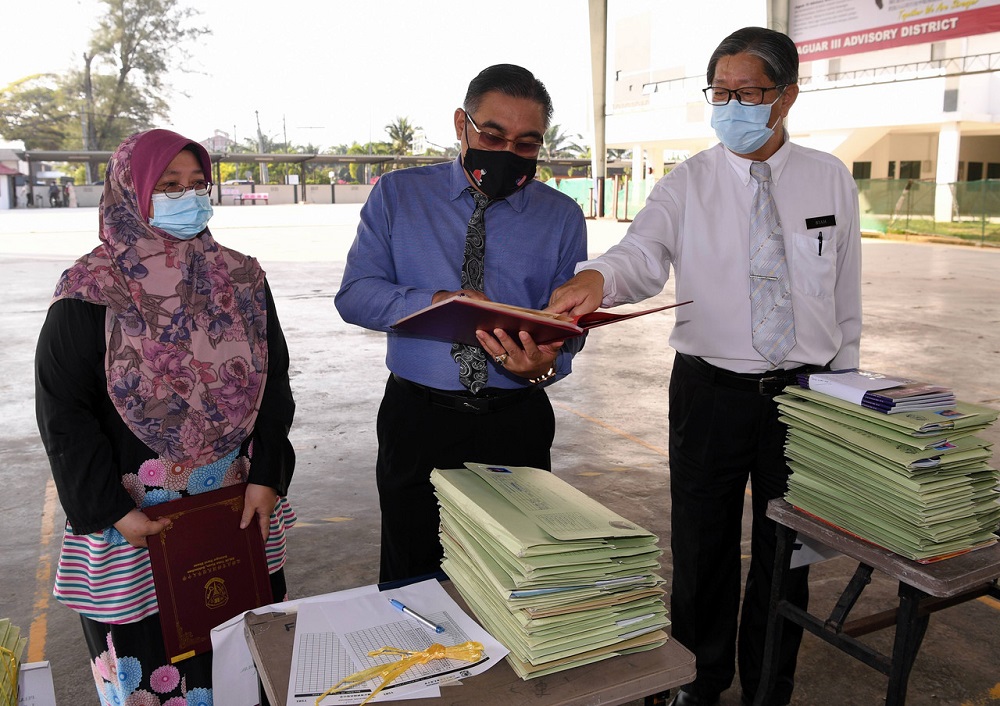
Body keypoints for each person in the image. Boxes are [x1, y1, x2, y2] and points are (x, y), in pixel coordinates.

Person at [547, 27, 862, 706]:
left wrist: (842, 393)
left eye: (746, 92)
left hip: (803, 398)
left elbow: (846, 296)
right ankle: (698, 681)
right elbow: (641, 252)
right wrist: (598, 279)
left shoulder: (829, 177)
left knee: (788, 556)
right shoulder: (687, 182)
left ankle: (769, 686)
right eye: (720, 93)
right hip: (709, 392)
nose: (731, 106)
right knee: (701, 549)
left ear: (786, 97)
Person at [35, 129, 297, 704]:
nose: (189, 198)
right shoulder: (92, 289)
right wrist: (109, 507)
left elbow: (272, 380)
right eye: (169, 186)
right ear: (130, 192)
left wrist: (268, 475)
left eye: (198, 185)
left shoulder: (243, 279)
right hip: (134, 522)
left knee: (240, 657)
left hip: (236, 506)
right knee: (150, 669)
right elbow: (63, 413)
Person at [335, 64, 588, 583]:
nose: (506, 153)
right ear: (461, 123)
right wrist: (435, 303)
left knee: (515, 576)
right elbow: (356, 295)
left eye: (525, 144)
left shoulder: (561, 216)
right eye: (492, 135)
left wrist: (546, 363)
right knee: (413, 573)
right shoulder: (398, 196)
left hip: (517, 418)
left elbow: (568, 326)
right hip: (419, 420)